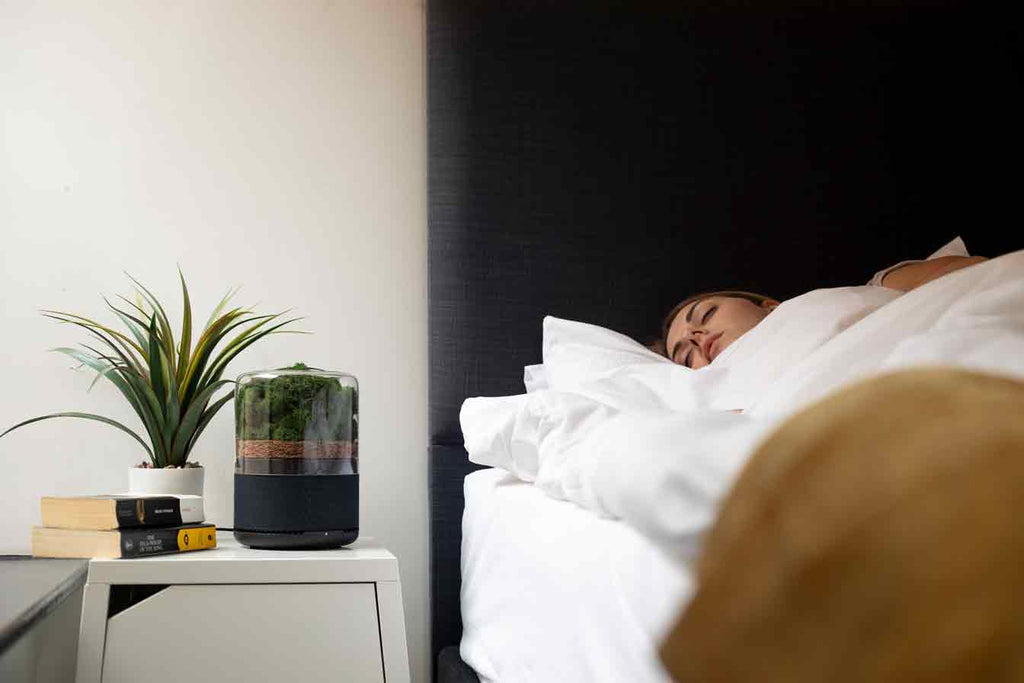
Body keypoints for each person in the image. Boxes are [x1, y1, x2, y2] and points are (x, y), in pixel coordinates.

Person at [660, 255, 987, 368]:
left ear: (768, 306)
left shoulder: (879, 288)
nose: (695, 336)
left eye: (706, 315)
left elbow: (983, 275)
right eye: (686, 357)